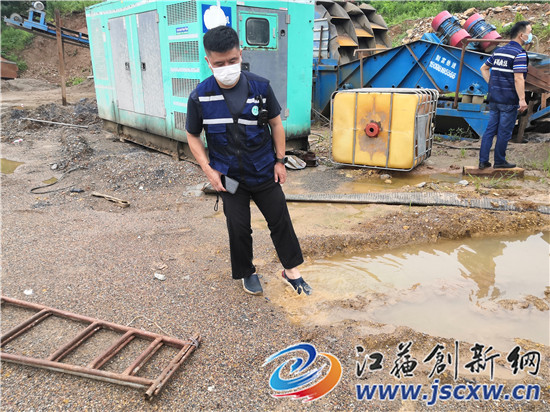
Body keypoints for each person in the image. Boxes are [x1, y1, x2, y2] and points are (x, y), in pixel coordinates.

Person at [185, 25, 311, 296]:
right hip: (228, 177)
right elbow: (192, 135)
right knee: (239, 226)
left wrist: (280, 160)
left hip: (263, 169)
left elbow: (276, 125)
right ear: (208, 61)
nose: (227, 67)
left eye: (232, 60)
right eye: (219, 64)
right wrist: (208, 170)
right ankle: (247, 272)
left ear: (240, 53)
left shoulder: (260, 87)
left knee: (280, 219)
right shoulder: (200, 96)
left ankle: (291, 271)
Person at [478, 21, 531, 170]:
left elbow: (483, 68)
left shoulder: (499, 51)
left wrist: (492, 85)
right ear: (521, 35)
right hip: (508, 100)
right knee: (504, 132)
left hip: (494, 98)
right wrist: (522, 100)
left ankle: (483, 161)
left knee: (490, 130)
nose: (530, 35)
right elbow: (518, 78)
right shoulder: (519, 54)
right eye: (529, 32)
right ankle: (499, 161)